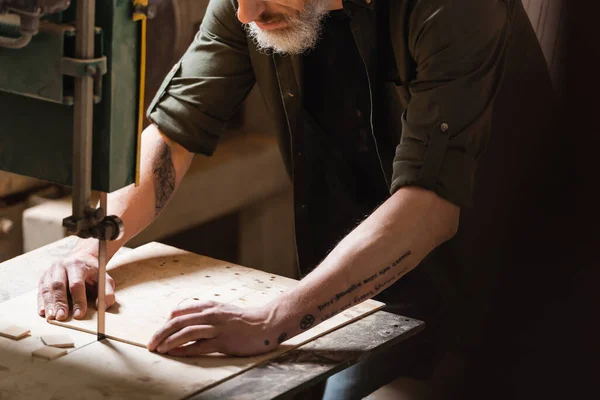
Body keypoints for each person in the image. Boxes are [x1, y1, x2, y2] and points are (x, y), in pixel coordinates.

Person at [37, 0, 556, 398]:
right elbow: (175, 134)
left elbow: (430, 207)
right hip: (353, 291)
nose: (244, 13)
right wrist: (94, 241)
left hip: (499, 290)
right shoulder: (252, 4)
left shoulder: (456, 9)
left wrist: (273, 319)